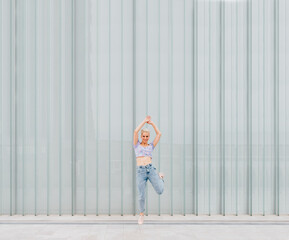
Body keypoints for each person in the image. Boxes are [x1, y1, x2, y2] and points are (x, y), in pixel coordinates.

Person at [133, 115, 164, 225]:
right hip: (140, 172)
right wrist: (144, 121)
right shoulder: (136, 145)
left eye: (147, 136)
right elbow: (135, 131)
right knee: (141, 195)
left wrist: (152, 124)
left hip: (150, 170)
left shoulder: (151, 146)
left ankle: (160, 178)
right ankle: (141, 215)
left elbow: (159, 134)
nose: (145, 138)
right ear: (141, 136)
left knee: (160, 190)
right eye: (144, 136)